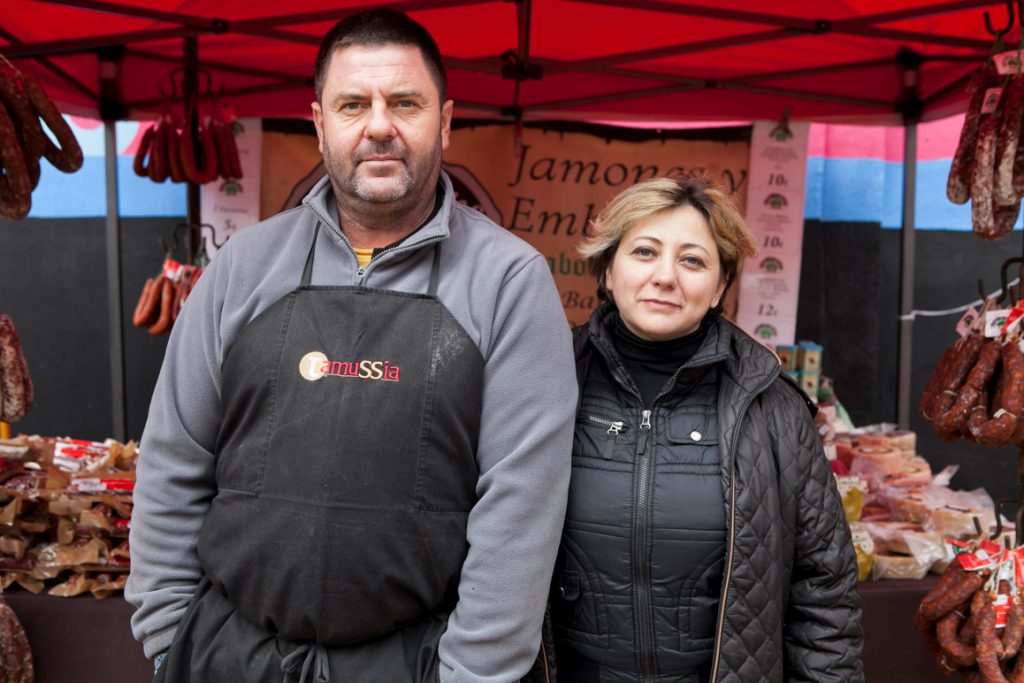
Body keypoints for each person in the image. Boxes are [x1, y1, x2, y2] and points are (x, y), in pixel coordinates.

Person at [125, 9, 576, 683]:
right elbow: (173, 460)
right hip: (227, 655)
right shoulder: (244, 267)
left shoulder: (509, 281)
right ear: (319, 124)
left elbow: (521, 508)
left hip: (413, 663)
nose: (379, 125)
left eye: (405, 103)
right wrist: (168, 636)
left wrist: (473, 674)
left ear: (445, 122)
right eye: (353, 104)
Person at [551, 175, 863, 682]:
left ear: (720, 286)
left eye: (692, 260)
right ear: (608, 269)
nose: (665, 277)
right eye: (645, 252)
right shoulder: (545, 383)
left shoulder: (772, 408)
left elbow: (823, 590)